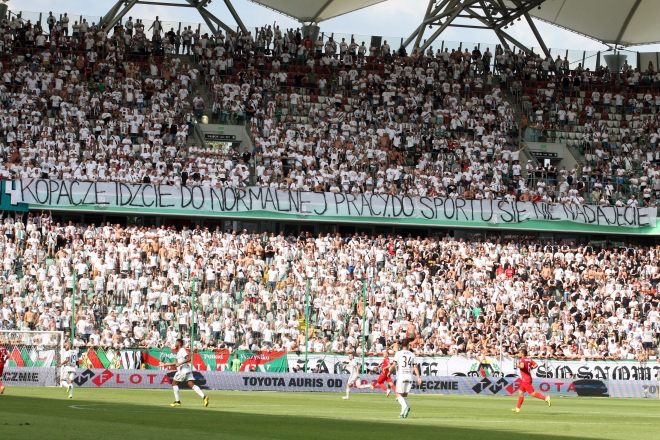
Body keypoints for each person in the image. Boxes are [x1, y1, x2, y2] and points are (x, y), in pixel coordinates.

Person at [159, 338, 209, 407]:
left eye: (176, 343)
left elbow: (188, 358)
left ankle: (177, 401)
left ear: (179, 344)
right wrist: (164, 364)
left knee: (174, 383)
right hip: (187, 370)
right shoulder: (179, 352)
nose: (175, 344)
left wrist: (180, 364)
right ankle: (204, 397)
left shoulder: (182, 350)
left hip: (183, 370)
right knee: (192, 385)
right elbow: (175, 363)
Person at [389, 338, 422, 418]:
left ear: (401, 345)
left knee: (398, 395)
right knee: (404, 395)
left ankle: (406, 407)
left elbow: (393, 365)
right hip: (410, 376)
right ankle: (402, 414)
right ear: (408, 345)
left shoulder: (398, 353)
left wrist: (389, 372)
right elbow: (415, 367)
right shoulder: (412, 354)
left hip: (401, 376)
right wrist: (418, 377)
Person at [512, 348, 551, 413]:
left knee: (532, 393)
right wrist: (531, 368)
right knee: (520, 392)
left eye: (519, 353)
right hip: (528, 378)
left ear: (522, 354)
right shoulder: (529, 359)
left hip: (526, 380)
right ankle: (517, 409)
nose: (518, 354)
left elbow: (522, 366)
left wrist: (517, 365)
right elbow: (536, 365)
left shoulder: (522, 359)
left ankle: (546, 398)